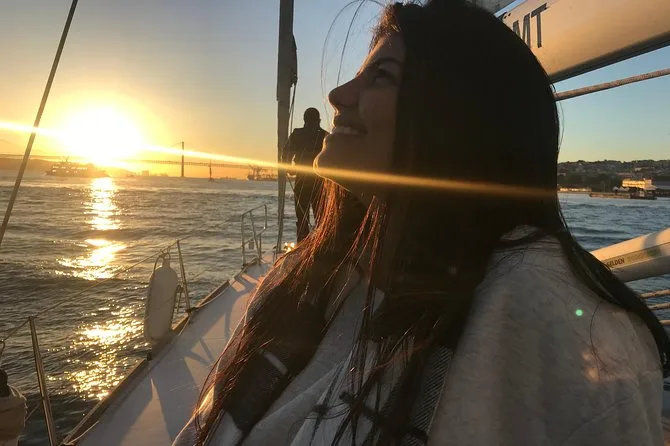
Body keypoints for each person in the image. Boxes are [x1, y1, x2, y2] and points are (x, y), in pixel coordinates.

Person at [174, 1, 670, 445]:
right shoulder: (306, 277)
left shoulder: (561, 330)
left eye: (382, 77)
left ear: (456, 113)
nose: (338, 94)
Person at [284, 107, 329, 242]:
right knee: (322, 218)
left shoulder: (297, 134)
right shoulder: (325, 136)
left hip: (302, 180)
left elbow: (286, 153)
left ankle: (303, 245)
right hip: (319, 182)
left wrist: (289, 167)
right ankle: (321, 244)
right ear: (318, 120)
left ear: (304, 120)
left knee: (302, 218)